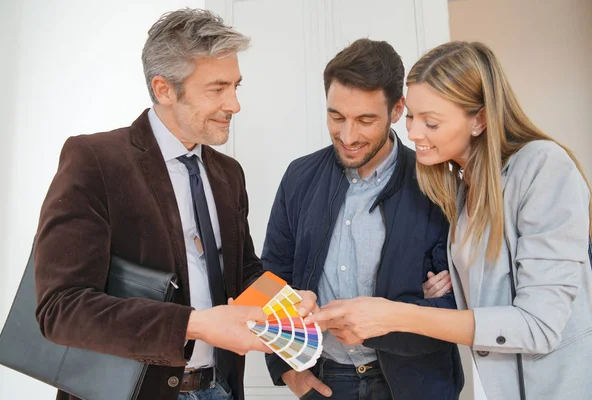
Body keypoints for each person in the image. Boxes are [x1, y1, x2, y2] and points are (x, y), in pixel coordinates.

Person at [34, 9, 317, 400]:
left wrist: (286, 302)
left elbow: (243, 271)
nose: (234, 104)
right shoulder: (94, 161)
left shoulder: (228, 173)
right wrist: (194, 324)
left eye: (236, 86)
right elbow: (61, 310)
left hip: (219, 388)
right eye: (217, 89)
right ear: (164, 89)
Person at [307, 41, 592, 400]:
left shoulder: (543, 167)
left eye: (431, 122)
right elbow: (486, 297)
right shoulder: (457, 187)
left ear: (480, 119)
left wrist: (395, 314)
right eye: (411, 117)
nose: (412, 133)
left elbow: (538, 325)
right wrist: (436, 294)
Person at [261, 38, 464, 400]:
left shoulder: (439, 182)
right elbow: (271, 277)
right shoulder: (299, 177)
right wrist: (286, 368)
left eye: (365, 120)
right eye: (336, 116)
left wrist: (402, 315)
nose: (348, 135)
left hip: (417, 383)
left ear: (398, 109)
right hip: (326, 381)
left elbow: (458, 302)